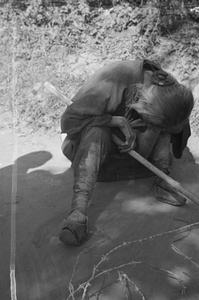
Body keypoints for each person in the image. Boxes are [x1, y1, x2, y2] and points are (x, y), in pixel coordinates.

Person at [59, 59, 194, 246]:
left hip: (131, 152)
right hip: (94, 153)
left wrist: (158, 129)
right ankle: (78, 212)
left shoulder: (170, 91)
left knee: (167, 123)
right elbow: (70, 120)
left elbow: (176, 124)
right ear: (141, 104)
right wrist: (116, 121)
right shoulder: (116, 80)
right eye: (149, 117)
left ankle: (162, 177)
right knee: (97, 131)